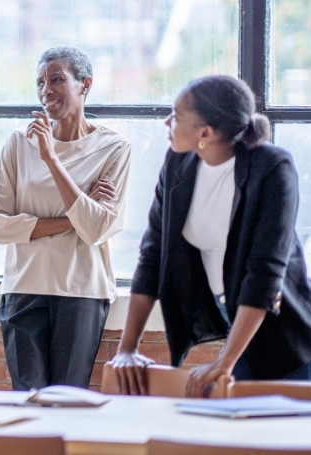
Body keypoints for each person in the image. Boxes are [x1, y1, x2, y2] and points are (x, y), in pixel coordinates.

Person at [112, 75, 311, 396]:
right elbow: (152, 255)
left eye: (176, 116)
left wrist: (225, 360)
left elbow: (264, 272)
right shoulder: (178, 163)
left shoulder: (272, 167)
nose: (167, 122)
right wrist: (127, 348)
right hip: (237, 331)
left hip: (288, 340)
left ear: (205, 133)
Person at [0, 46, 131, 390]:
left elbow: (98, 228)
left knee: (67, 400)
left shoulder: (114, 148)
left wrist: (51, 159)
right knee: (28, 401)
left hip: (81, 289)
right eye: (40, 82)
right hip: (23, 287)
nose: (46, 90)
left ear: (85, 85)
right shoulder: (18, 144)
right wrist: (75, 217)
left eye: (57, 79)